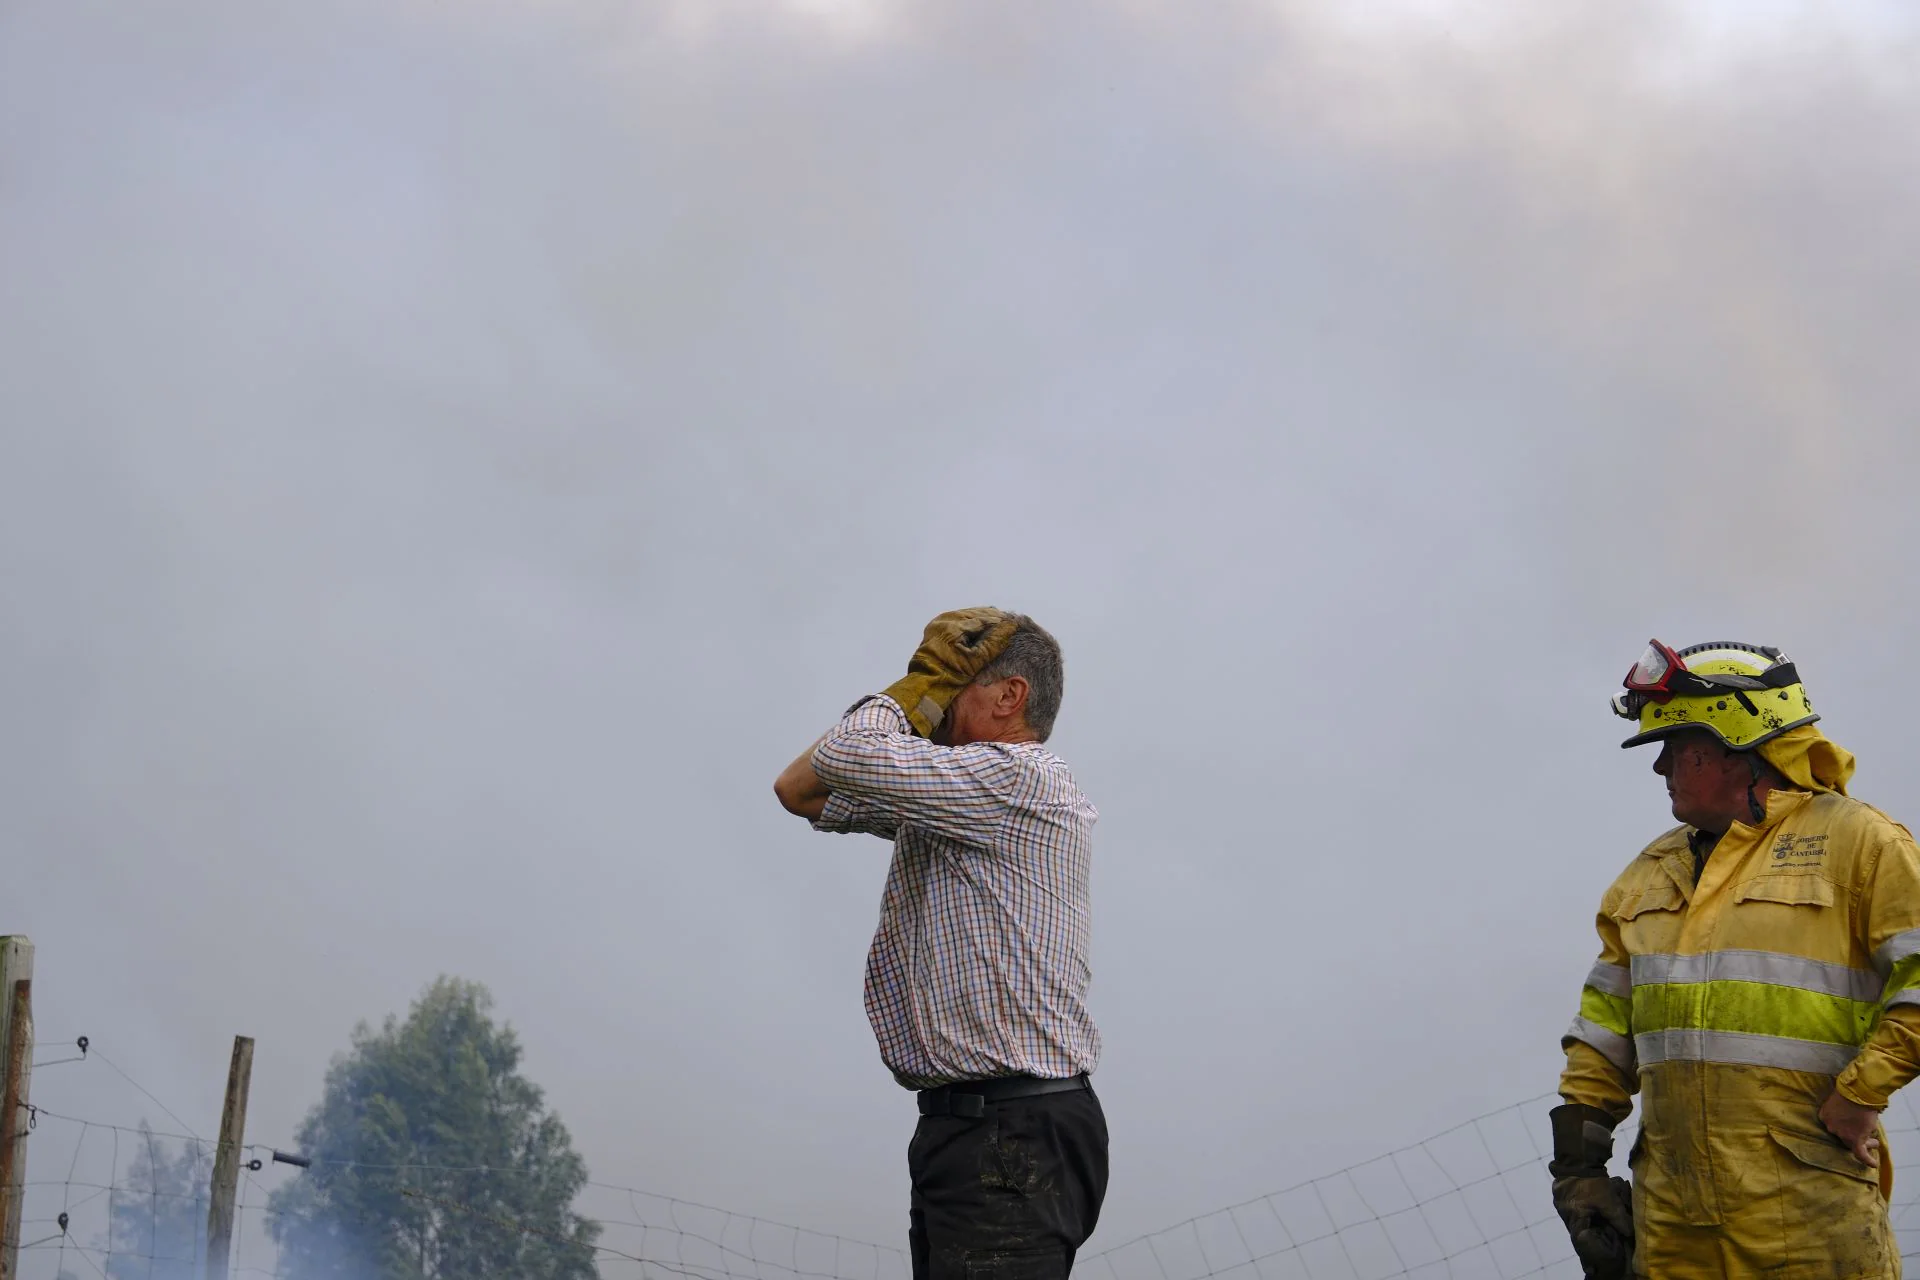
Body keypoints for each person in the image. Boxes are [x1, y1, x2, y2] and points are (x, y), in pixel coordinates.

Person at [1552, 639, 1920, 1279]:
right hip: (1671, 1225)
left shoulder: (1860, 844)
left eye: (1676, 749)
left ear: (1738, 748)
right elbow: (1603, 1032)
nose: (1660, 767)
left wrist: (1862, 1094)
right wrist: (1579, 1172)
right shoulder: (1648, 875)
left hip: (1809, 1212)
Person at [773, 607, 1107, 1279]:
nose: (938, 706)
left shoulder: (1015, 779)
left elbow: (848, 753)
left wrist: (910, 690)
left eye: (954, 686)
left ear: (1010, 696)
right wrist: (919, 701)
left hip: (1012, 1129)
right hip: (978, 1128)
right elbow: (802, 789)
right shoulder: (960, 799)